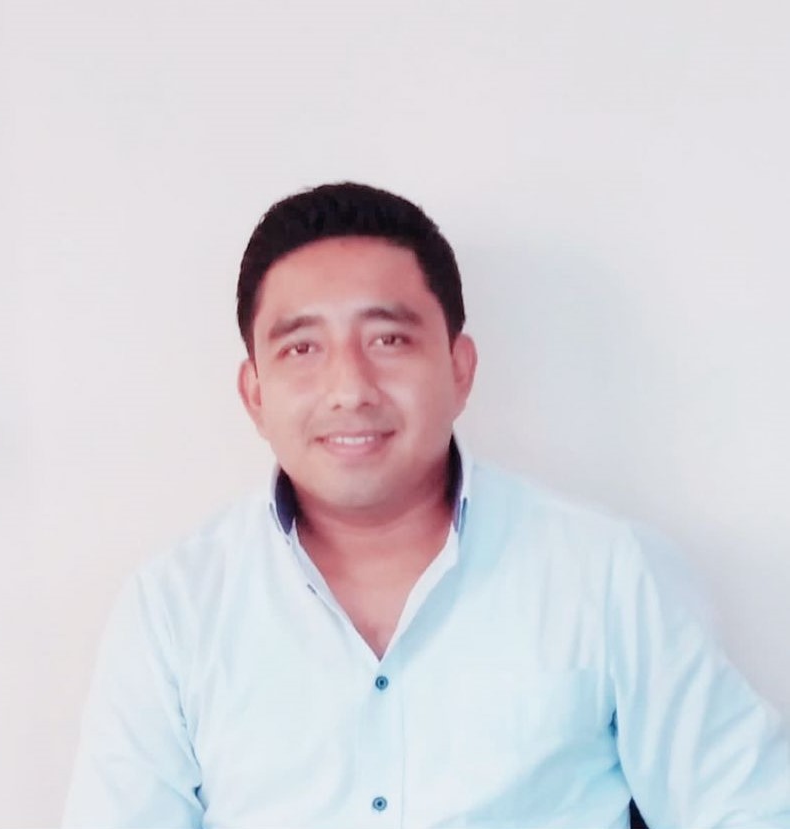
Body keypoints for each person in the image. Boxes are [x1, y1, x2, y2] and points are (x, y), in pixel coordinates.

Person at [63, 182, 790, 828]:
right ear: (254, 393)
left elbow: (749, 808)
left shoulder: (607, 574)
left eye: (388, 339)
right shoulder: (174, 609)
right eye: (302, 349)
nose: (350, 388)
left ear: (459, 368)